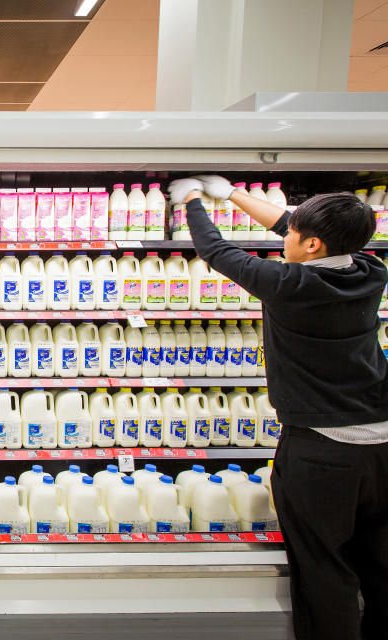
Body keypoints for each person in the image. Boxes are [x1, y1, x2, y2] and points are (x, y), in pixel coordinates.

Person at [168, 176, 388, 640]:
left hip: (323, 450)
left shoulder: (289, 283)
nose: (282, 237)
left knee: (324, 568)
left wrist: (190, 200)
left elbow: (217, 251)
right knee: (380, 562)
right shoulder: (370, 271)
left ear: (311, 245)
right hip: (381, 446)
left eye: (291, 236)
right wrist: (231, 195)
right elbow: (292, 224)